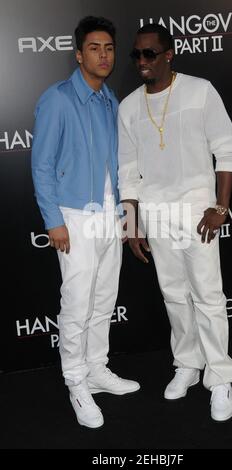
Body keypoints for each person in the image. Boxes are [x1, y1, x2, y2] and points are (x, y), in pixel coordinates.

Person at [118, 23, 232, 422]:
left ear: (169, 54)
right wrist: (133, 222)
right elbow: (128, 169)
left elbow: (225, 149)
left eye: (149, 54)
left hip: (197, 213)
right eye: (136, 55)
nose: (141, 62)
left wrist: (220, 208)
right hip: (155, 215)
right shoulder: (129, 106)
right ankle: (187, 363)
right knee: (173, 295)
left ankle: (219, 376)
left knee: (208, 296)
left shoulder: (200, 90)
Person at [31, 16, 140, 429]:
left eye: (109, 48)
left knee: (103, 299)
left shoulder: (110, 99)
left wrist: (125, 219)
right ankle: (75, 382)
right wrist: (53, 220)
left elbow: (118, 166)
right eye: (94, 48)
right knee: (77, 302)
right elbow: (41, 165)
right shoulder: (57, 99)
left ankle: (96, 369)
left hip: (110, 217)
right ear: (79, 54)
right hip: (74, 216)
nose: (103, 55)